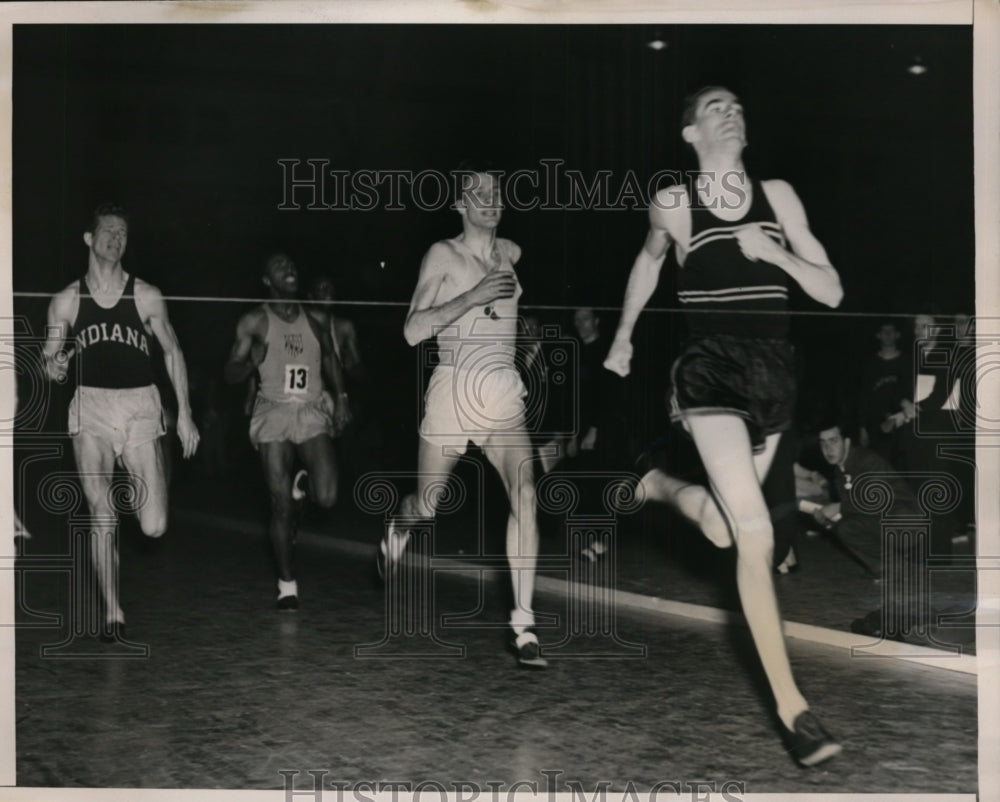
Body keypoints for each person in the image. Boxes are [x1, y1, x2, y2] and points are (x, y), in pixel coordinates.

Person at [603, 87, 844, 765]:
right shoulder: (675, 202)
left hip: (775, 375)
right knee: (758, 531)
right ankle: (794, 712)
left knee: (721, 526)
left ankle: (654, 486)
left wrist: (775, 257)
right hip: (708, 372)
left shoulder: (780, 197)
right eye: (715, 106)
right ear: (689, 132)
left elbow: (831, 290)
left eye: (739, 103)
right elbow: (649, 261)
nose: (732, 110)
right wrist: (622, 336)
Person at [377, 164, 547, 669]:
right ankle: (399, 526)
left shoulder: (510, 254)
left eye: (497, 191)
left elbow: (509, 304)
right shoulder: (443, 255)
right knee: (427, 505)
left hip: (499, 388)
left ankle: (523, 622)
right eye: (479, 194)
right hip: (454, 385)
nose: (490, 199)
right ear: (460, 205)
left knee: (526, 492)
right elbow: (412, 330)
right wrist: (473, 296)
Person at [43, 203, 199, 640]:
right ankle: (113, 612)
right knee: (101, 509)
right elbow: (49, 361)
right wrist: (54, 366)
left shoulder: (146, 294)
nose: (117, 237)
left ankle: (134, 479)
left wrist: (184, 413)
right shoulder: (68, 300)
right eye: (108, 231)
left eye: (123, 232)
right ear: (89, 239)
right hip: (90, 407)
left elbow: (172, 352)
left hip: (139, 407)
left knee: (154, 526)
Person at [224, 252, 350, 611]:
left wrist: (340, 398)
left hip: (310, 409)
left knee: (326, 495)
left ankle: (304, 486)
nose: (290, 269)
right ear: (267, 280)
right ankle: (287, 584)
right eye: (280, 267)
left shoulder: (315, 320)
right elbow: (229, 372)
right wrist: (252, 361)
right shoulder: (254, 321)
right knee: (279, 505)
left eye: (292, 265)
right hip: (273, 411)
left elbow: (329, 359)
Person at [856, 320, 908, 462]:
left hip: (901, 424)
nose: (888, 335)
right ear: (878, 335)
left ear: (898, 335)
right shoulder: (870, 363)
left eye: (891, 331)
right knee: (879, 467)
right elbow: (863, 396)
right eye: (884, 332)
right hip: (876, 426)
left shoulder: (907, 362)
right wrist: (862, 428)